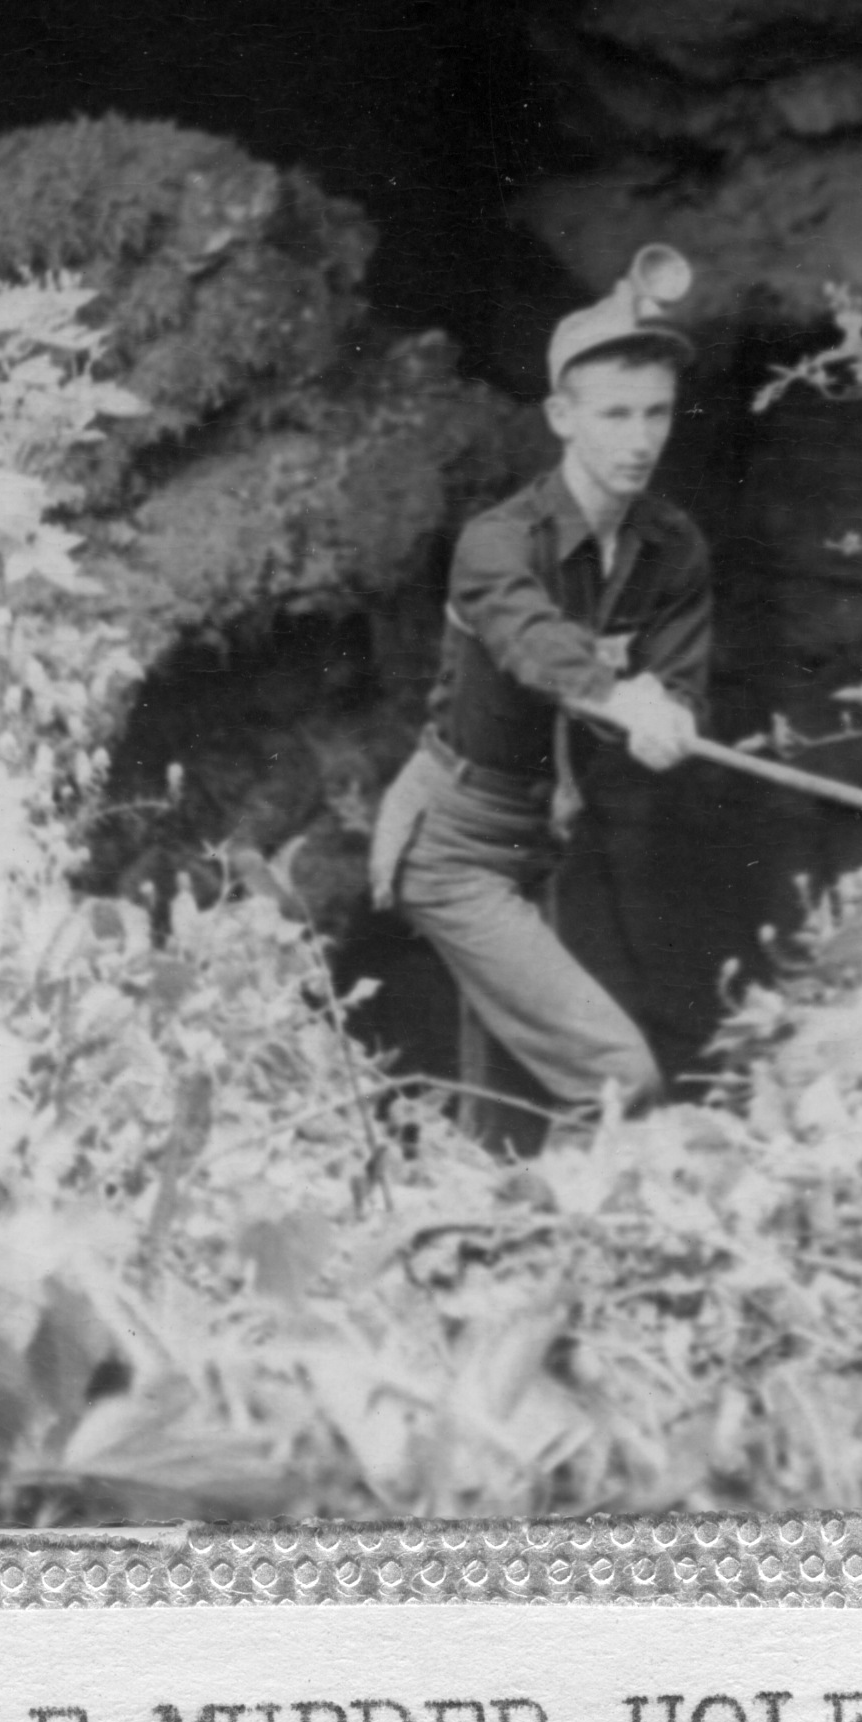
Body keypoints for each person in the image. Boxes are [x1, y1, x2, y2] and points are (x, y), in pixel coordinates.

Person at [369, 251, 713, 1149]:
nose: (639, 439)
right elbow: (532, 643)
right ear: (563, 417)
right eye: (614, 415)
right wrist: (616, 695)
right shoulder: (498, 542)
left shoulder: (673, 548)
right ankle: (568, 1245)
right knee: (615, 1079)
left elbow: (673, 683)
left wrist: (669, 715)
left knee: (508, 1102)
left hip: (538, 837)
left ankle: (504, 1244)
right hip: (451, 843)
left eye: (656, 414)